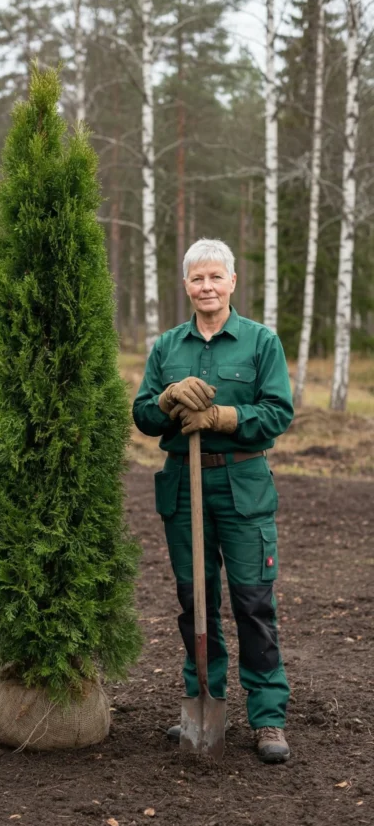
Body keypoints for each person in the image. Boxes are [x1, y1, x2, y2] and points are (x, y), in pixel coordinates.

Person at [132, 238, 294, 764]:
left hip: (242, 486)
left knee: (252, 602)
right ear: (186, 286)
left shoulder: (259, 342)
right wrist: (164, 400)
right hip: (184, 484)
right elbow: (141, 415)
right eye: (197, 279)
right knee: (194, 601)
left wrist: (223, 417)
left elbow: (277, 413)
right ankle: (203, 700)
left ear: (231, 283)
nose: (206, 287)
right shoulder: (167, 347)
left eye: (215, 278)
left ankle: (267, 717)